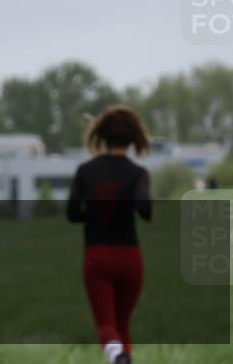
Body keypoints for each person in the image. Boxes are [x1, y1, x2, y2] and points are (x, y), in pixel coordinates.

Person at [67, 106, 153, 364]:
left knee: (106, 325)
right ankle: (122, 356)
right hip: (130, 258)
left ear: (102, 136)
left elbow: (72, 213)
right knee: (122, 324)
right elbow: (145, 211)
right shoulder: (138, 173)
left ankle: (117, 355)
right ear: (133, 137)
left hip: (97, 257)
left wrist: (95, 213)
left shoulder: (85, 171)